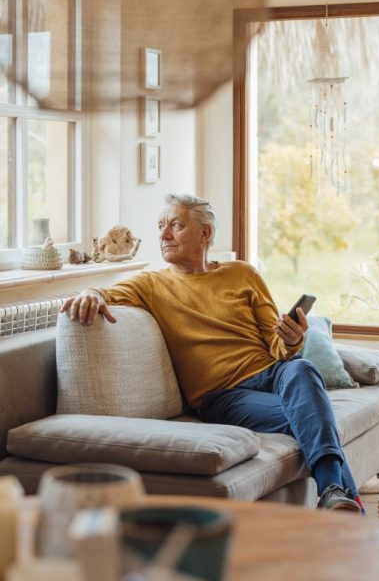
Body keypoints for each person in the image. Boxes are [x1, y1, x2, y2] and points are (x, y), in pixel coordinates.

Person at [60, 194, 363, 513]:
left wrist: (291, 341)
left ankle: (333, 494)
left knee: (302, 370)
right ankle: (339, 494)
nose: (163, 235)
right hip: (225, 397)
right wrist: (89, 293)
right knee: (312, 415)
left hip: (274, 375)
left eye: (175, 226)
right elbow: (103, 292)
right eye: (161, 227)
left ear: (205, 233)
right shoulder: (150, 284)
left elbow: (277, 347)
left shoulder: (243, 273)